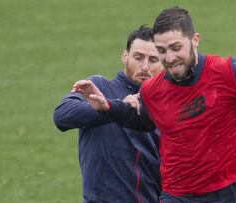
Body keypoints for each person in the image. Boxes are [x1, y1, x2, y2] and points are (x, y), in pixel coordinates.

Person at [75, 6, 236, 203]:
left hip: (232, 190)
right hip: (178, 194)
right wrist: (108, 107)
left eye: (175, 47)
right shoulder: (152, 90)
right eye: (161, 50)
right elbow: (144, 120)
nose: (169, 58)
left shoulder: (227, 71)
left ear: (195, 40)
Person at [53, 25, 163, 203]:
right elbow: (62, 116)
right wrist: (111, 107)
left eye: (153, 60)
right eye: (138, 57)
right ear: (125, 56)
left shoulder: (167, 105)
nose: (145, 66)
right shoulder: (100, 88)